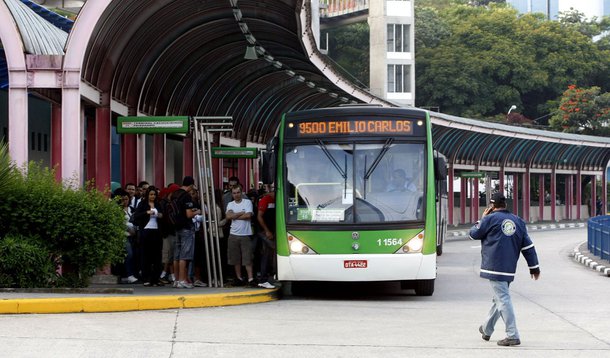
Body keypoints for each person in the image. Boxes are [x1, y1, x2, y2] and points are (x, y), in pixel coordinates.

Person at [469, 192, 541, 347]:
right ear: (505, 204)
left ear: (491, 206)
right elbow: (528, 246)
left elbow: (474, 234)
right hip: (509, 268)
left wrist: (481, 219)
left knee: (502, 299)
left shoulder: (489, 219)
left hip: (494, 266)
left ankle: (512, 334)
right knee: (499, 298)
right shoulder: (518, 221)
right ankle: (487, 329)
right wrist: (534, 267)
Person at [173, 176, 201, 289]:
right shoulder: (186, 196)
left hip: (176, 227)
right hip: (186, 227)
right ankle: (182, 280)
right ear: (191, 185)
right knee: (185, 255)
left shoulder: (175, 194)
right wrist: (197, 211)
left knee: (177, 256)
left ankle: (176, 280)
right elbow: (188, 214)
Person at [226, 184, 256, 287]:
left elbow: (248, 215)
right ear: (232, 194)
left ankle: (250, 279)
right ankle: (239, 278)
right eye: (234, 193)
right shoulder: (230, 204)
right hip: (233, 234)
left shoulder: (247, 202)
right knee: (235, 258)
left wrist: (234, 216)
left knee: (247, 258)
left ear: (242, 192)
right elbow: (228, 216)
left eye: (238, 192)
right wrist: (241, 212)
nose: (236, 195)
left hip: (245, 234)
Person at [256, 184, 276, 289]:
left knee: (270, 254)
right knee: (268, 254)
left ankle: (269, 277)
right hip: (265, 232)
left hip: (272, 231)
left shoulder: (278, 200)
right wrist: (267, 231)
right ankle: (263, 279)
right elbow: (259, 216)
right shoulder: (265, 199)